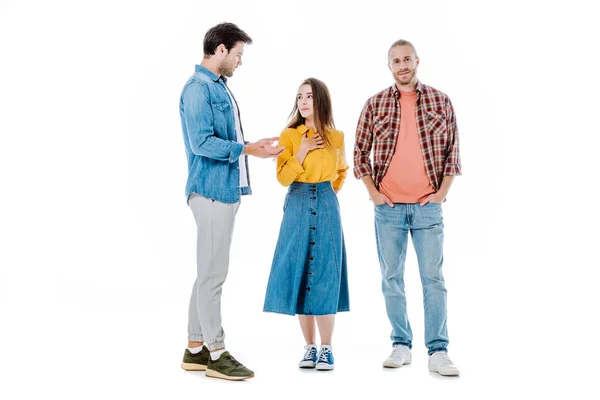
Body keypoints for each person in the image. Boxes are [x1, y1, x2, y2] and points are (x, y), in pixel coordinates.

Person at [178, 22, 284, 381]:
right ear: (220, 50)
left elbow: (229, 140)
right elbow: (202, 144)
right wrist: (246, 150)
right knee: (214, 275)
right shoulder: (197, 89)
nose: (240, 62)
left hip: (222, 191)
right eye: (238, 54)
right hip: (209, 192)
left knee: (207, 272)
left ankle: (194, 349)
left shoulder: (217, 87)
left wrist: (253, 147)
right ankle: (217, 353)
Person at [353, 39, 462, 376]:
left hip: (428, 207)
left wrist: (442, 193)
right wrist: (373, 193)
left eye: (407, 59)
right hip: (388, 209)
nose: (402, 65)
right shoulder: (375, 104)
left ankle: (438, 350)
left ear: (417, 61)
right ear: (389, 66)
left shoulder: (441, 101)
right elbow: (359, 154)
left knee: (433, 279)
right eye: (395, 61)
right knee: (392, 278)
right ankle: (401, 343)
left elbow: (453, 153)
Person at [263, 78, 350, 371]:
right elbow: (283, 178)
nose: (303, 101)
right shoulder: (289, 136)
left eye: (309, 96)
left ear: (321, 100)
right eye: (299, 96)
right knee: (300, 269)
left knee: (326, 269)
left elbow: (341, 172)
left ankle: (327, 348)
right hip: (297, 200)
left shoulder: (336, 137)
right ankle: (309, 347)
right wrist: (302, 149)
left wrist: (327, 194)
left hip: (326, 201)